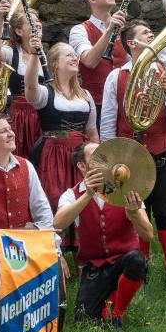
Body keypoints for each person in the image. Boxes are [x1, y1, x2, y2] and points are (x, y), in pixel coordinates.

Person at [99, 21, 166, 281]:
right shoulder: (116, 76)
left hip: (162, 150)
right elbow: (108, 120)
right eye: (146, 33)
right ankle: (142, 264)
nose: (152, 35)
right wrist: (109, 158)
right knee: (137, 208)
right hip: (129, 154)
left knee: (165, 209)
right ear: (132, 43)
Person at [54, 142, 152, 329]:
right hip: (94, 266)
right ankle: (108, 301)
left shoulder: (126, 188)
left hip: (124, 260)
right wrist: (88, 195)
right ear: (82, 166)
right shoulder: (71, 194)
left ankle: (117, 313)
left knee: (137, 260)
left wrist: (134, 213)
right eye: (96, 155)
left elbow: (148, 234)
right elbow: (58, 223)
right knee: (84, 322)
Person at [25, 40, 99, 211]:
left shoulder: (86, 95)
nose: (75, 58)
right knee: (54, 199)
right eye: (69, 55)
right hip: (53, 154)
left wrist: (98, 161)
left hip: (81, 155)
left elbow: (92, 132)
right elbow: (30, 85)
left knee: (84, 200)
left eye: (76, 55)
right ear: (54, 63)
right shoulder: (45, 92)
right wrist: (35, 54)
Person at [68, 0, 129, 125]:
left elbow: (132, 63)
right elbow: (89, 61)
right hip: (97, 105)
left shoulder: (124, 30)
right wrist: (109, 31)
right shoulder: (79, 30)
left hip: (125, 103)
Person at [0, 5, 45, 158]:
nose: (37, 24)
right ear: (19, 31)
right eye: (31, 21)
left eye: (38, 20)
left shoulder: (46, 56)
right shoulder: (11, 53)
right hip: (19, 116)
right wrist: (1, 18)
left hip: (41, 115)